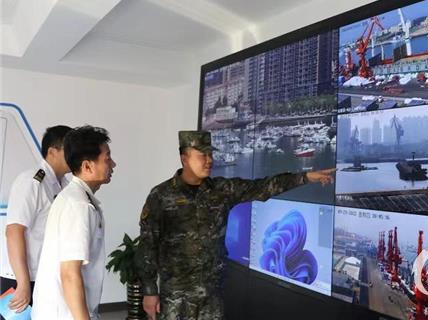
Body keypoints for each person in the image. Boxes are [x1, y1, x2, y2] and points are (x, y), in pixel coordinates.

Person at [136, 130, 335, 320]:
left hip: (211, 294)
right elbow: (147, 244)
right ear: (184, 159)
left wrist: (305, 177)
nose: (209, 160)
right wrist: (150, 291)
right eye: (202, 155)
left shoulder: (221, 190)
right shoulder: (161, 196)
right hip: (176, 296)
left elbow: (263, 186)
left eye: (210, 154)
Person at [31, 126, 116, 320]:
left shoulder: (75, 197)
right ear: (87, 166)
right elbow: (70, 273)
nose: (113, 164)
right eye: (107, 158)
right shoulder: (78, 205)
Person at [1, 125, 72, 319]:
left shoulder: (65, 186)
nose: (76, 155)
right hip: (22, 277)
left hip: (45, 276)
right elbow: (14, 231)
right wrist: (23, 283)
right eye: (70, 149)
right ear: (52, 152)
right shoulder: (31, 182)